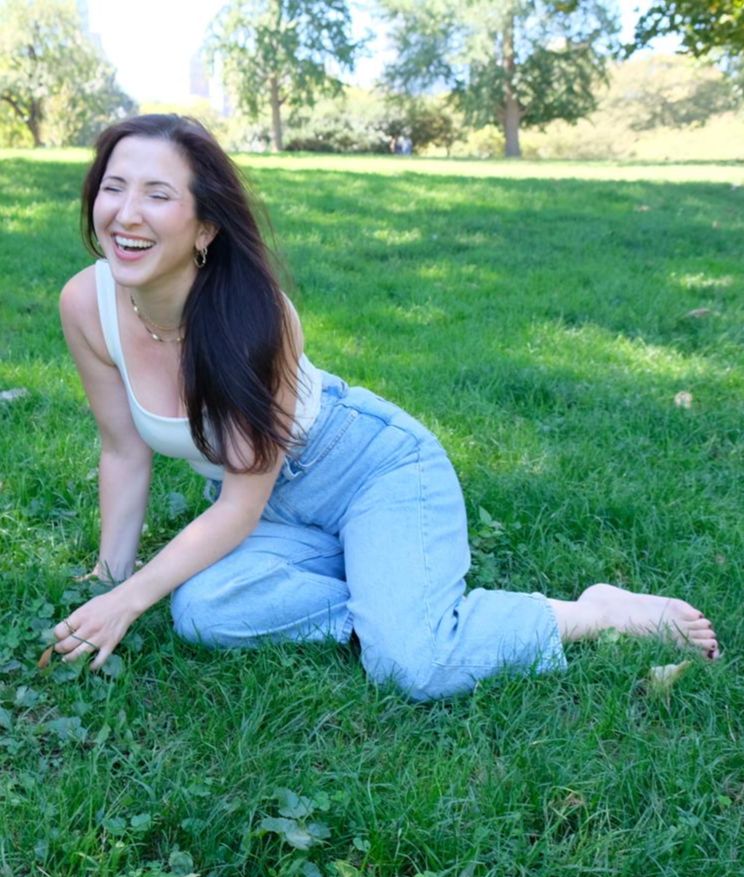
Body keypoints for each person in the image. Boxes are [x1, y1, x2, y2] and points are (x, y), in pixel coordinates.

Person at [52, 114, 719, 700]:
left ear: (206, 225)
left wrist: (131, 600)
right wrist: (109, 583)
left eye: (157, 194)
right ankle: (387, 597)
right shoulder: (87, 305)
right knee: (203, 611)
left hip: (371, 470)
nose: (126, 214)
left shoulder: (257, 316)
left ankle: (591, 612)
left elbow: (238, 507)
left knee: (412, 666)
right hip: (276, 509)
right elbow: (125, 450)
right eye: (114, 187)